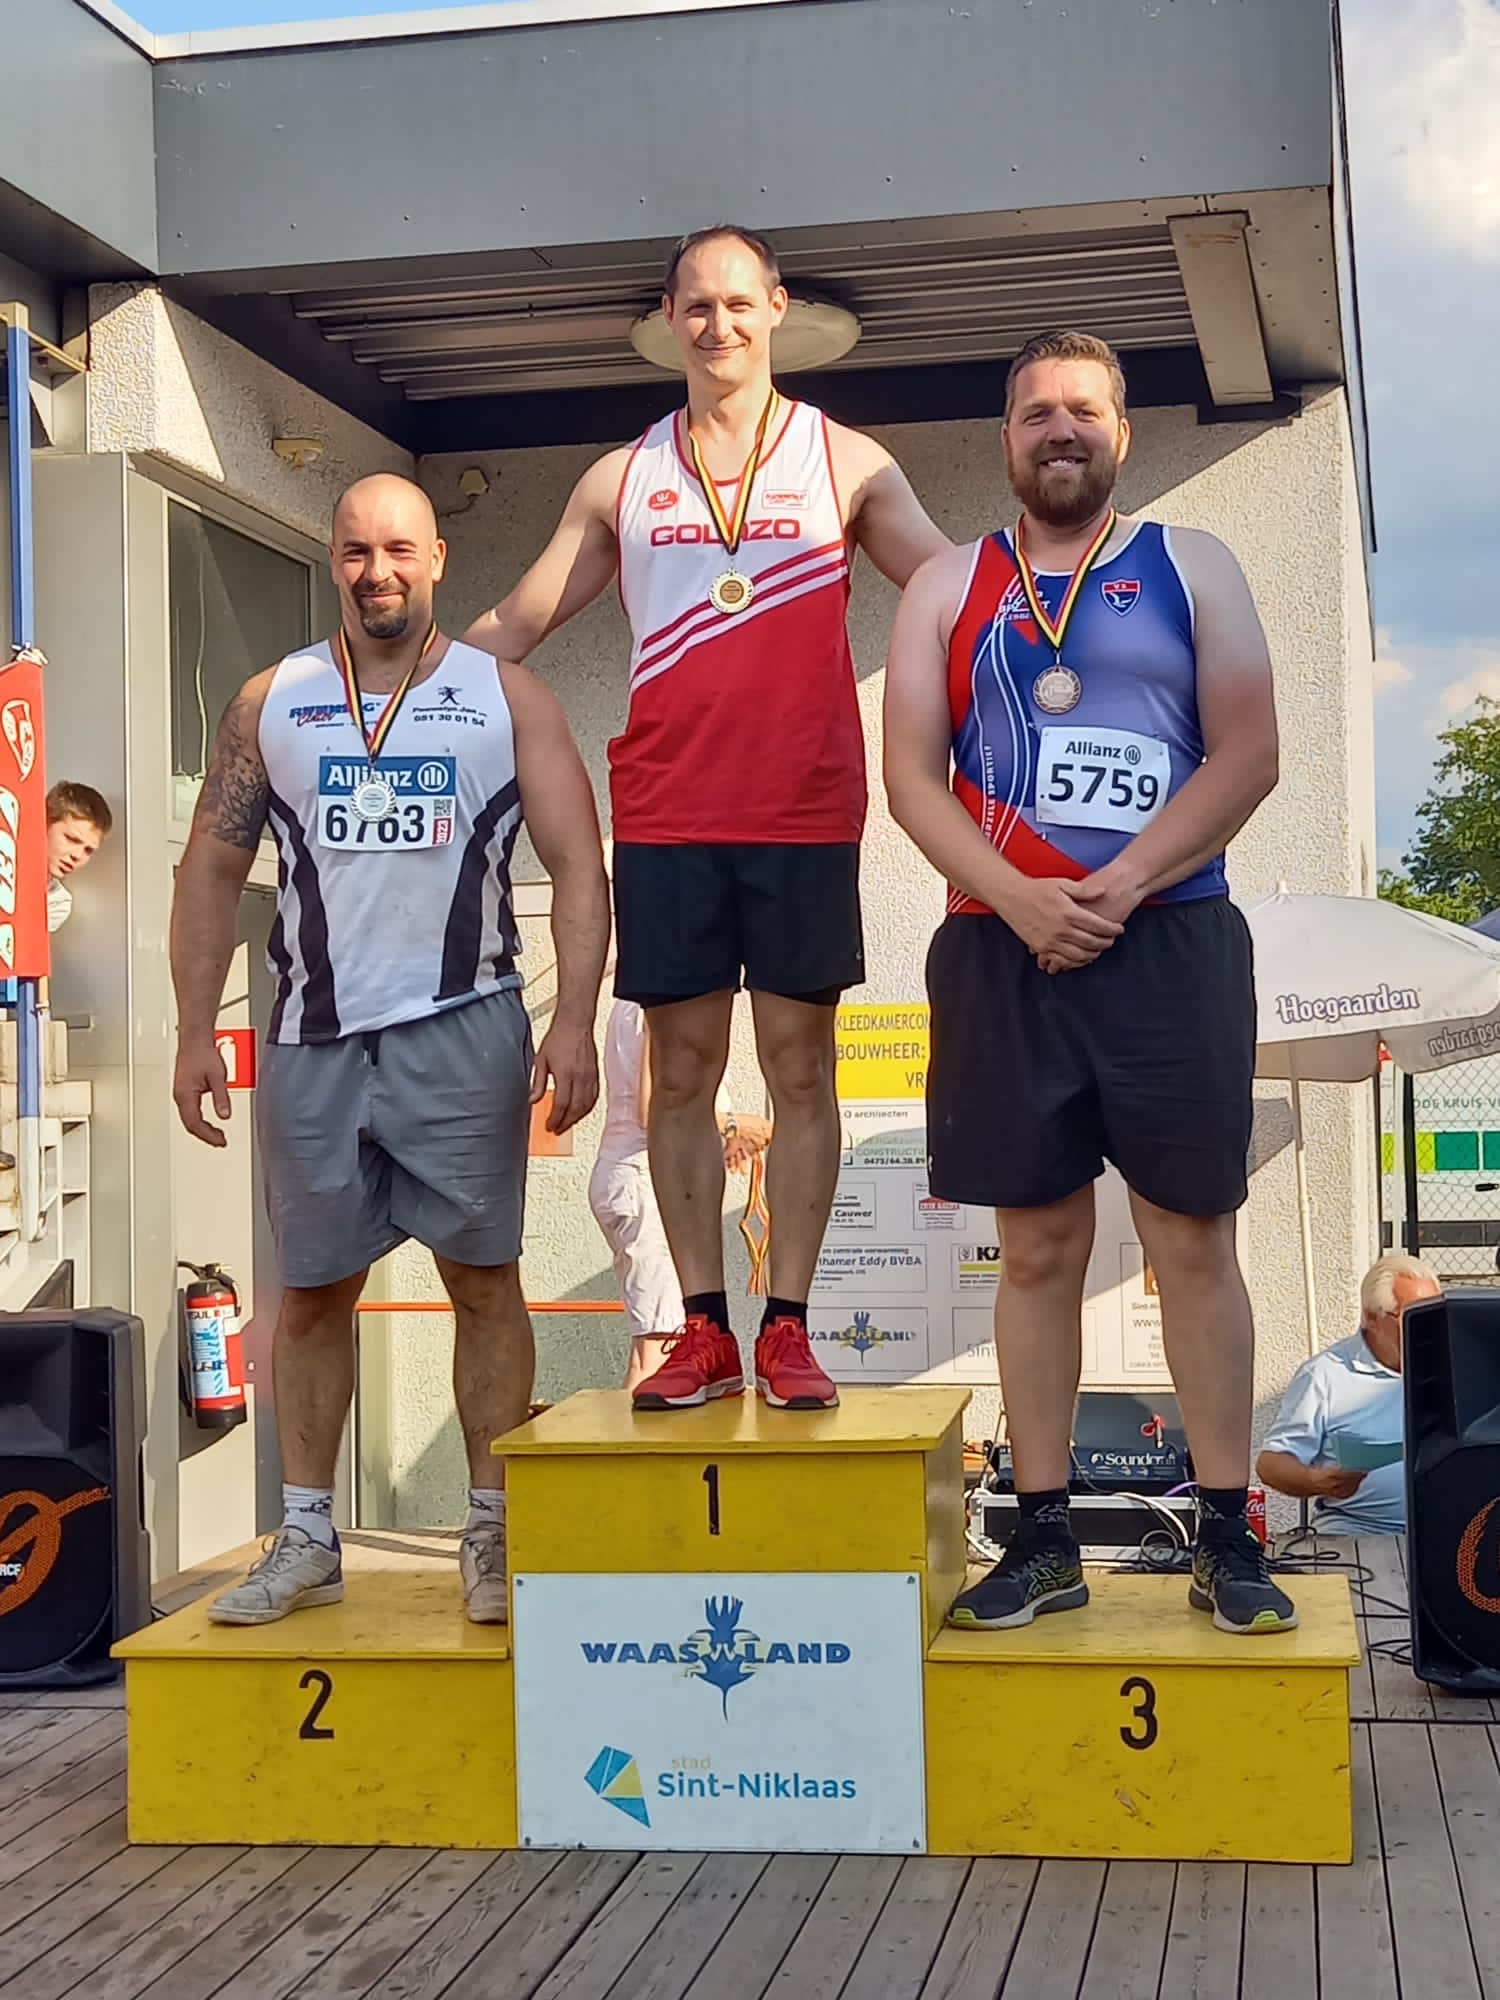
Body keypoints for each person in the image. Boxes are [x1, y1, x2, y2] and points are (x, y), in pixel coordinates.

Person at [464, 224, 948, 1413]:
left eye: (739, 302)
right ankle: (700, 1329)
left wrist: (1064, 619)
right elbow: (516, 623)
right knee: (676, 1076)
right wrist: (385, 693)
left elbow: (950, 588)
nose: (718, 324)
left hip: (802, 809)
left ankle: (788, 1326)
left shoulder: (846, 463)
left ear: (776, 307)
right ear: (668, 320)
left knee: (799, 1068)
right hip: (670, 812)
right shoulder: (621, 478)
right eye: (697, 306)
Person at [884, 328, 1290, 1634]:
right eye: (1035, 412)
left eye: (1083, 409)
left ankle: (1227, 1533)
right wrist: (1016, 898)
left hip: (1169, 938)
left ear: (1121, 432)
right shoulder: (945, 585)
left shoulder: (1193, 564)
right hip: (1001, 946)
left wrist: (1118, 886)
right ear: (1006, 437)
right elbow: (910, 779)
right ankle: (1044, 1536)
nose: (1059, 429)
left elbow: (1249, 753)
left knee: (1192, 1238)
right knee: (1038, 1245)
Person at [170, 472, 609, 1626]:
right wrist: (193, 1027)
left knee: (484, 1282)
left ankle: (492, 1528)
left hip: (463, 1027)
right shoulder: (271, 699)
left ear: (437, 560)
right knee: (314, 1293)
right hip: (311, 1038)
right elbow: (210, 868)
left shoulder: (504, 696)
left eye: (400, 549)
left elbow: (579, 863)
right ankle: (309, 1535)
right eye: (358, 550)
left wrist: (573, 1020)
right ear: (333, 558)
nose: (379, 571)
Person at [589, 998, 771, 1397]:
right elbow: (655, 1107)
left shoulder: (632, 1002)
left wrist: (721, 1139)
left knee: (656, 1344)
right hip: (647, 1184)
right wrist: (735, 1125)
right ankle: (636, 1440)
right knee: (655, 1352)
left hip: (633, 1179)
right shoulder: (660, 999)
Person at [1257, 1253, 1440, 1537]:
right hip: (1357, 1529)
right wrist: (1315, 1480)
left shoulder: (1452, 1365)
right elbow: (1271, 1464)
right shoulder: (1326, 1375)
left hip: (1450, 1530)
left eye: (1435, 1316)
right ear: (1372, 1317)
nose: (1428, 1330)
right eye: (1414, 1317)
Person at [46, 781, 113, 933]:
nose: (77, 855)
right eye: (71, 839)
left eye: (88, 850)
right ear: (45, 823)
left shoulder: (58, 903)